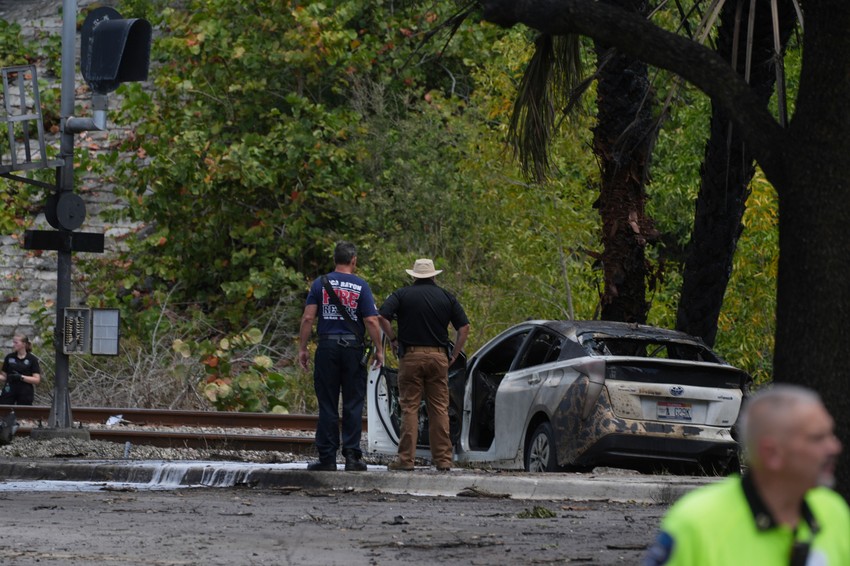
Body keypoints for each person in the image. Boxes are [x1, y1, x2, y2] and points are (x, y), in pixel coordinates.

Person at [643, 384, 850, 566]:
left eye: (831, 434)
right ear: (772, 454)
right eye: (818, 438)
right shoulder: (697, 523)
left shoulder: (833, 511)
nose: (834, 447)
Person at [298, 242, 384, 472]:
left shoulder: (320, 283)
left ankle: (327, 458)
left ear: (335, 259)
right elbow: (371, 320)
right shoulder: (361, 286)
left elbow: (308, 318)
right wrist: (379, 349)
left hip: (327, 347)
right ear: (353, 260)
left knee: (327, 403)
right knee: (353, 403)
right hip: (353, 349)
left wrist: (303, 348)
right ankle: (352, 457)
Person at [378, 258, 470, 471]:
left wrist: (393, 339)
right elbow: (464, 327)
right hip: (438, 357)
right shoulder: (446, 297)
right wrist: (455, 353)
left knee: (409, 407)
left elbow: (382, 316)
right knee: (439, 408)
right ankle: (443, 460)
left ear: (414, 276)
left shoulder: (401, 295)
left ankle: (405, 460)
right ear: (434, 275)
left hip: (411, 356)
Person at [0, 334, 42, 406]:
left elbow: (36, 380)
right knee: (4, 411)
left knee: (23, 413)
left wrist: (21, 377)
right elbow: (4, 377)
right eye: (13, 342)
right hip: (9, 389)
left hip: (25, 391)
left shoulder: (32, 359)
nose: (13, 345)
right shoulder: (9, 357)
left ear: (24, 344)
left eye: (16, 343)